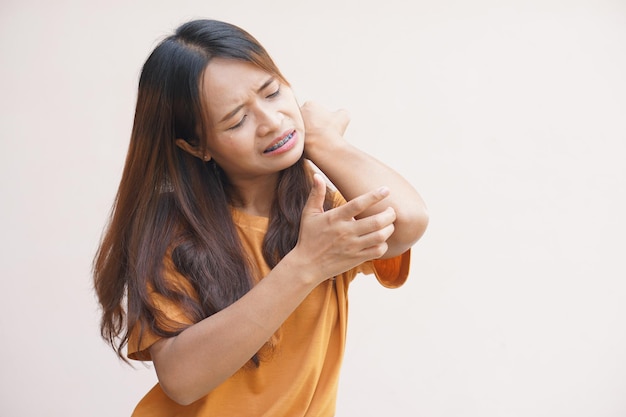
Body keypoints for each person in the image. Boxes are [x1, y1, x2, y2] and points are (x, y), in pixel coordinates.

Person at [93, 18, 429, 417]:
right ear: (197, 146)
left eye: (272, 93)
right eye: (237, 120)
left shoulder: (318, 209)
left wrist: (325, 143)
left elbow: (408, 221)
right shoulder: (171, 229)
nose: (271, 122)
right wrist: (305, 265)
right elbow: (182, 381)